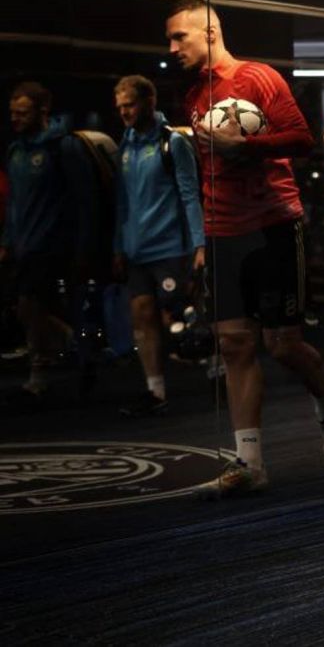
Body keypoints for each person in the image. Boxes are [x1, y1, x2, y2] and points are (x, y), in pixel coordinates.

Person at [167, 0, 324, 497]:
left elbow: (302, 139)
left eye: (179, 37)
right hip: (223, 232)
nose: (172, 48)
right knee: (234, 344)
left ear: (210, 32)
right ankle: (250, 463)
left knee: (282, 344)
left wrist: (244, 146)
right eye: (170, 40)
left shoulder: (258, 78)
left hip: (272, 225)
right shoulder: (193, 96)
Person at [112, 75, 206, 416]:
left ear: (149, 103)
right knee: (142, 314)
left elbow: (190, 195)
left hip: (169, 247)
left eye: (130, 105)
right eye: (120, 107)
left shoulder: (173, 143)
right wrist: (118, 246)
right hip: (136, 250)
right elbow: (122, 202)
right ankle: (155, 391)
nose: (124, 112)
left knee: (177, 319)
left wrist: (200, 244)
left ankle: (219, 369)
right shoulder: (125, 146)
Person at [1, 82, 96, 408]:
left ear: (42, 111)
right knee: (31, 309)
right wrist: (7, 240)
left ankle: (52, 364)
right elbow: (14, 202)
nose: (15, 118)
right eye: (12, 113)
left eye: (22, 113)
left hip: (53, 243)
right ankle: (64, 357)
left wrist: (83, 246)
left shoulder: (62, 147)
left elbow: (84, 200)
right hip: (23, 244)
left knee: (29, 305)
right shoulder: (15, 151)